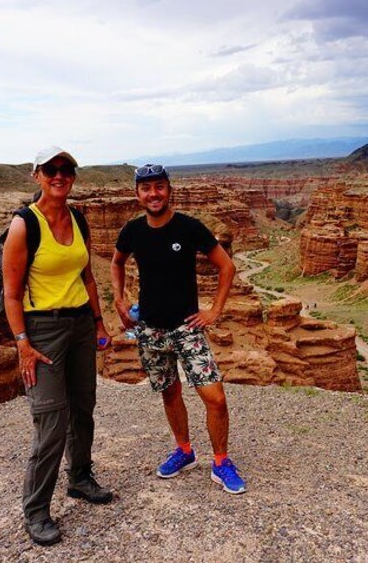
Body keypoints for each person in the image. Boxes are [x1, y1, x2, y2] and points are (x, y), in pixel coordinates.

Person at [110, 163, 246, 495]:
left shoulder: (189, 228)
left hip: (187, 328)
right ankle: (184, 451)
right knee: (170, 393)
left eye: (159, 187)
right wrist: (119, 298)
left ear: (170, 190)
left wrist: (214, 309)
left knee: (215, 398)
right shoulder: (133, 231)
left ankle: (221, 462)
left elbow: (226, 266)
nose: (153, 194)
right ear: (137, 194)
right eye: (146, 188)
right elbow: (116, 262)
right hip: (151, 331)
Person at [3, 146, 113, 546]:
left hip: (81, 324)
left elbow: (86, 278)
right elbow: (12, 295)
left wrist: (99, 323)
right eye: (51, 169)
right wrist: (23, 346)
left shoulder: (78, 218)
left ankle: (80, 478)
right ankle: (36, 510)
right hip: (42, 330)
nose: (60, 175)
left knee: (83, 408)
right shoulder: (24, 225)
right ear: (37, 175)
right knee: (51, 421)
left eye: (67, 169)